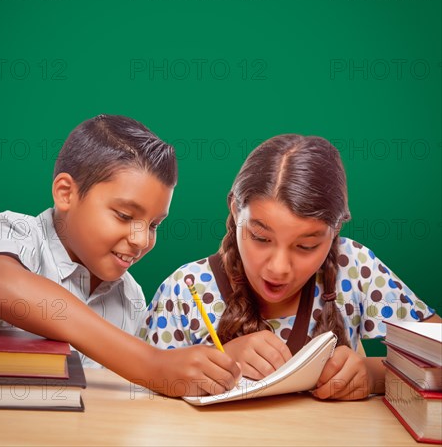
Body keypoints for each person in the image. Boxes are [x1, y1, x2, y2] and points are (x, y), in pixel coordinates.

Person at [0, 114, 240, 397]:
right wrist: (150, 364)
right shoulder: (12, 231)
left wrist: (217, 363)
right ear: (66, 193)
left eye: (154, 225)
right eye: (124, 215)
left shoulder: (130, 296)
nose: (141, 240)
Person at [139, 134, 441, 400]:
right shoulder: (183, 291)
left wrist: (373, 374)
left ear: (335, 231)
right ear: (234, 211)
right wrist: (218, 362)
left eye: (306, 246)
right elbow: (140, 390)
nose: (279, 268)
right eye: (260, 237)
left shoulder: (356, 267)